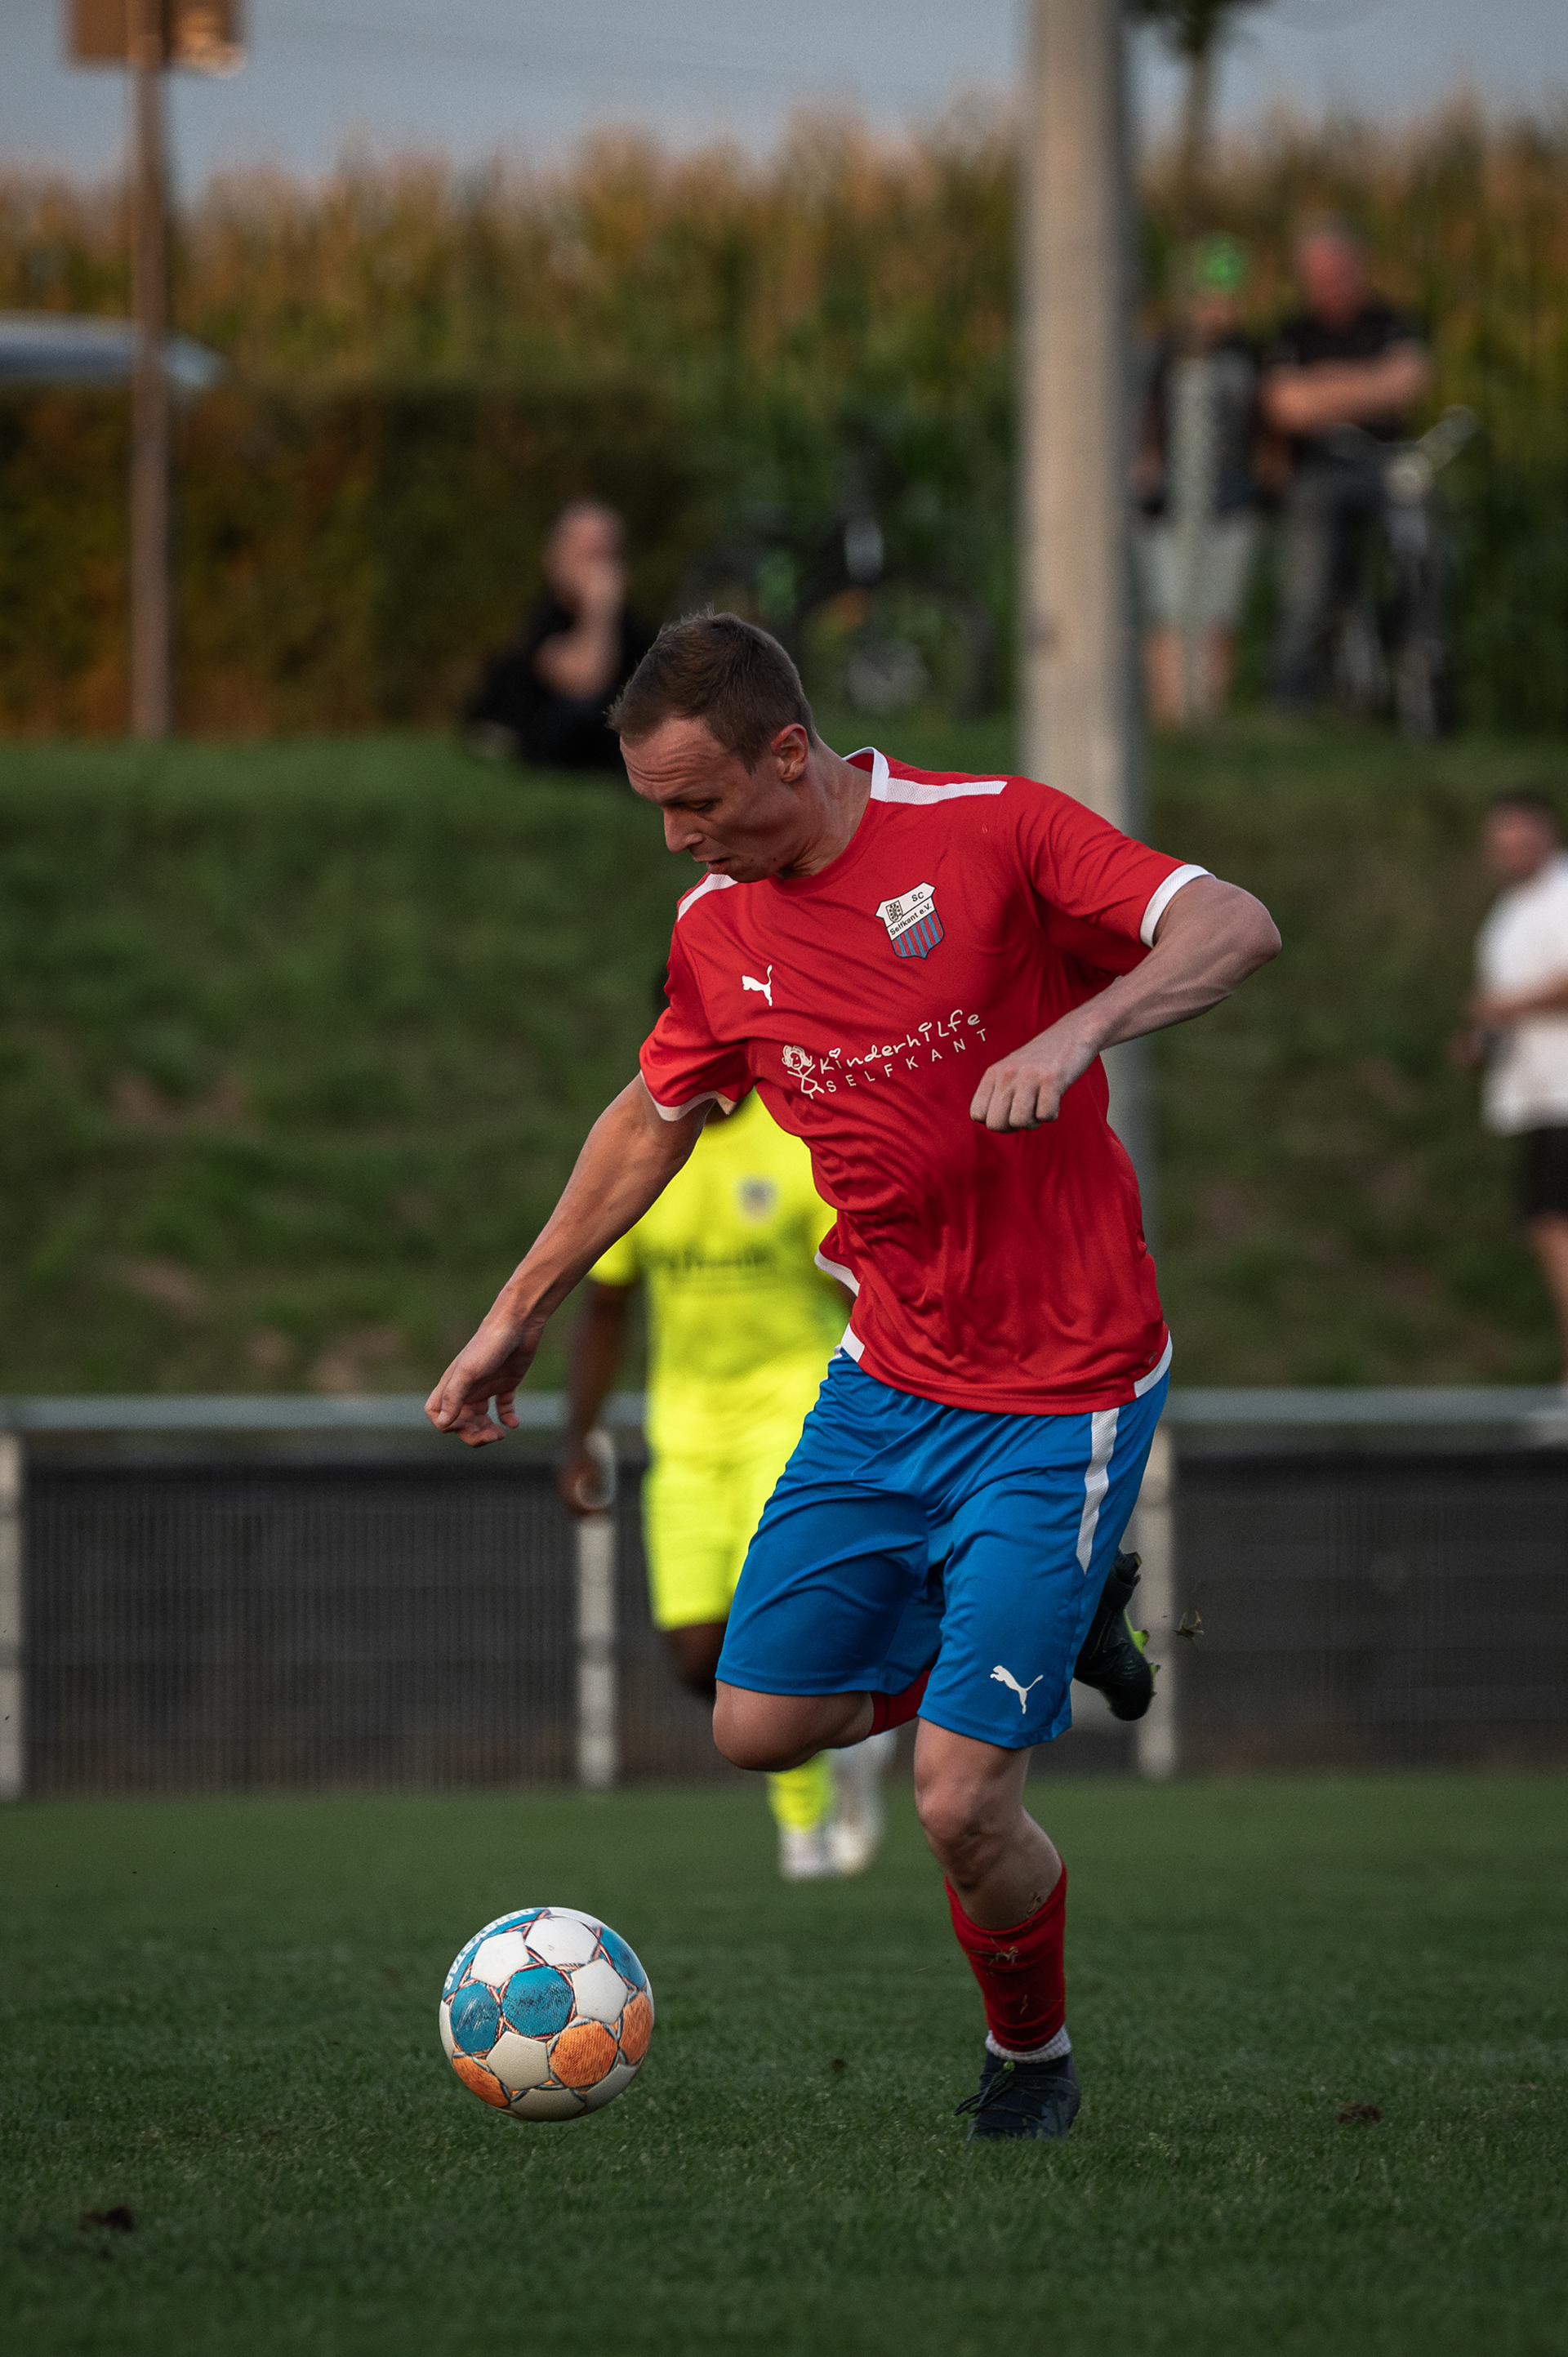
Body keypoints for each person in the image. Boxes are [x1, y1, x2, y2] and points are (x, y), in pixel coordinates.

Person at [426, 614, 1280, 2141]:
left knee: (960, 1801)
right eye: (658, 810)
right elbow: (653, 1114)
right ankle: (1056, 1616)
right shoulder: (716, 928)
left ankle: (1030, 2060)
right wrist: (517, 1311)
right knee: (753, 1726)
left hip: (1065, 1385)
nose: (680, 837)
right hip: (889, 1378)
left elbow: (1234, 925)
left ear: (788, 752)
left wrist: (1081, 1030)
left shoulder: (992, 831)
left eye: (699, 802)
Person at [557, 1056, 898, 1879]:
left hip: (795, 1416)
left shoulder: (797, 1143)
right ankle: (842, 1743)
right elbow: (606, 1304)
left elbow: (864, 1286)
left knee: (768, 1628)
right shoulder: (642, 1158)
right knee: (695, 1654)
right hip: (685, 1435)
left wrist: (896, 1412)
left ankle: (803, 1830)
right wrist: (578, 1437)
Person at [1260, 221, 1432, 711]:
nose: (1330, 284)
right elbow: (1284, 407)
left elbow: (1410, 382)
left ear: (1359, 268)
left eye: (1338, 273)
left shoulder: (1390, 322)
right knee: (1306, 578)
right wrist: (1371, 385)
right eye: (1319, 275)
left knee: (1422, 549)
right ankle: (1292, 693)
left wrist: (1323, 390)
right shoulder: (1293, 332)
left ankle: (1421, 671)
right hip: (1319, 472)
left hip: (1385, 465)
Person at [1452, 791, 1568, 1384]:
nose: (1513, 851)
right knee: (1549, 1231)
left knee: (1556, 1231)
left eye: (1523, 838)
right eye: (1503, 842)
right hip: (1540, 1097)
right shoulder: (1509, 911)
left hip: (1563, 1096)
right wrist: (1483, 1041)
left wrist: (1503, 1008)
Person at [1133, 234, 1266, 725]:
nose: (1217, 309)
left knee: (1218, 613)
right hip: (1168, 503)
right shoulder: (1164, 350)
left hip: (1232, 499)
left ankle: (1208, 713)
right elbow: (1140, 413)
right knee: (1170, 608)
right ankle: (1170, 714)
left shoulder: (1250, 352)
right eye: (1207, 297)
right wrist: (1145, 463)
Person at [462, 501, 652, 772]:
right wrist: (599, 613)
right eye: (589, 556)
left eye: (607, 557)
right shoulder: (546, 621)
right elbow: (585, 683)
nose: (601, 572)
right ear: (558, 559)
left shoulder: (632, 628)